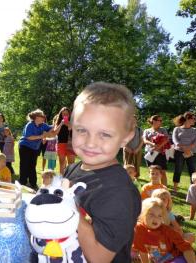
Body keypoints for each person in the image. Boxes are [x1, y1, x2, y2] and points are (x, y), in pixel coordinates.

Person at [63, 82, 141, 262]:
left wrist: (68, 209)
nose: (90, 143)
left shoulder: (119, 193)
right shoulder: (73, 168)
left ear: (126, 138)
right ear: (72, 127)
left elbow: (99, 257)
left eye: (105, 134)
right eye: (82, 130)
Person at [133, 197, 196, 263]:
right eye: (151, 214)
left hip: (177, 258)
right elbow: (142, 251)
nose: (156, 219)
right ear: (143, 214)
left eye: (159, 216)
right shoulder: (139, 229)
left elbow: (186, 248)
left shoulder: (167, 231)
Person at [19, 109, 62, 190]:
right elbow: (29, 137)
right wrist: (42, 136)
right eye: (42, 116)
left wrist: (60, 122)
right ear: (36, 117)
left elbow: (53, 129)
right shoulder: (30, 125)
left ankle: (33, 183)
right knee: (24, 164)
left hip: (34, 148)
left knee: (32, 165)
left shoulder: (43, 125)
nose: (43, 117)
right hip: (25, 146)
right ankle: (22, 182)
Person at [172, 112, 196, 191]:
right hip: (179, 152)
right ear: (187, 118)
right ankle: (175, 188)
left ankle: (193, 189)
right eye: (193, 118)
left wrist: (188, 149)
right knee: (178, 170)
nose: (195, 120)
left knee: (193, 171)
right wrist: (184, 148)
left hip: (192, 153)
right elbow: (175, 140)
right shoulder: (177, 129)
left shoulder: (195, 130)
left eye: (195, 119)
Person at [143, 115, 169, 186]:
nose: (161, 122)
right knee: (152, 171)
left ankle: (164, 188)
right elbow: (145, 140)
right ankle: (153, 187)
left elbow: (166, 139)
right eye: (159, 120)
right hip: (149, 153)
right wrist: (152, 144)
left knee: (162, 172)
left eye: (161, 120)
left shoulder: (163, 129)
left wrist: (158, 147)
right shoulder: (147, 130)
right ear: (153, 121)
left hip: (160, 153)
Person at [54, 107, 76, 175]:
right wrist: (61, 124)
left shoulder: (73, 122)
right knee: (62, 163)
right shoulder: (58, 122)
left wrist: (69, 125)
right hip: (61, 144)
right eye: (63, 114)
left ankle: (70, 179)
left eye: (67, 114)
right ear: (61, 115)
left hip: (71, 144)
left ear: (70, 114)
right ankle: (61, 178)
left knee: (71, 164)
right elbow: (55, 133)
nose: (65, 115)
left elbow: (76, 131)